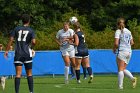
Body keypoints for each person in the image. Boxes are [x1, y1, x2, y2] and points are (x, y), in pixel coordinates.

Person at [4, 14, 36, 93]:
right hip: (27, 54)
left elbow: (11, 40)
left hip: (18, 54)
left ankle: (17, 92)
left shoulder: (16, 29)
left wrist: (7, 51)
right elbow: (34, 42)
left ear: (22, 21)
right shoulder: (31, 30)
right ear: (29, 21)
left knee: (18, 74)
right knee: (29, 74)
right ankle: (31, 91)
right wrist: (31, 48)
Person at [113, 18, 137, 89]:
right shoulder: (128, 31)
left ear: (117, 24)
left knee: (120, 70)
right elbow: (132, 42)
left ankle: (120, 87)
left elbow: (116, 43)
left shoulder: (118, 31)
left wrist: (114, 48)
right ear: (124, 24)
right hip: (129, 51)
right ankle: (132, 79)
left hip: (122, 51)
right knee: (123, 69)